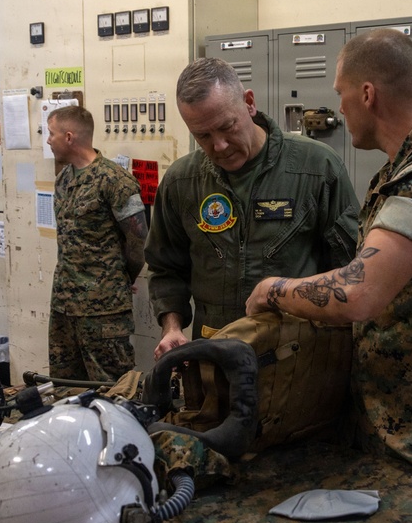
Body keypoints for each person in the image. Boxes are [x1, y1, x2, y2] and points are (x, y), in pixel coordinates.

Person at [246, 28, 412, 475]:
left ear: (367, 95)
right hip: (393, 428)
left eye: (341, 94)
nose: (340, 109)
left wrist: (273, 290)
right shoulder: (404, 168)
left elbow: (358, 292)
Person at [145, 58, 359, 360]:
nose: (219, 145)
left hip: (296, 360)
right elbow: (166, 268)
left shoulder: (317, 168)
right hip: (215, 360)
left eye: (227, 127)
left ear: (249, 103)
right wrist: (171, 327)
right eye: (203, 136)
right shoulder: (182, 181)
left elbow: (350, 271)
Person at [46, 105, 147, 382]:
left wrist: (120, 279)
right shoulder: (63, 179)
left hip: (104, 311)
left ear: (69, 137)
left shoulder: (115, 181)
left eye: (51, 133)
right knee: (64, 388)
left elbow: (138, 240)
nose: (48, 140)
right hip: (64, 306)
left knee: (110, 390)